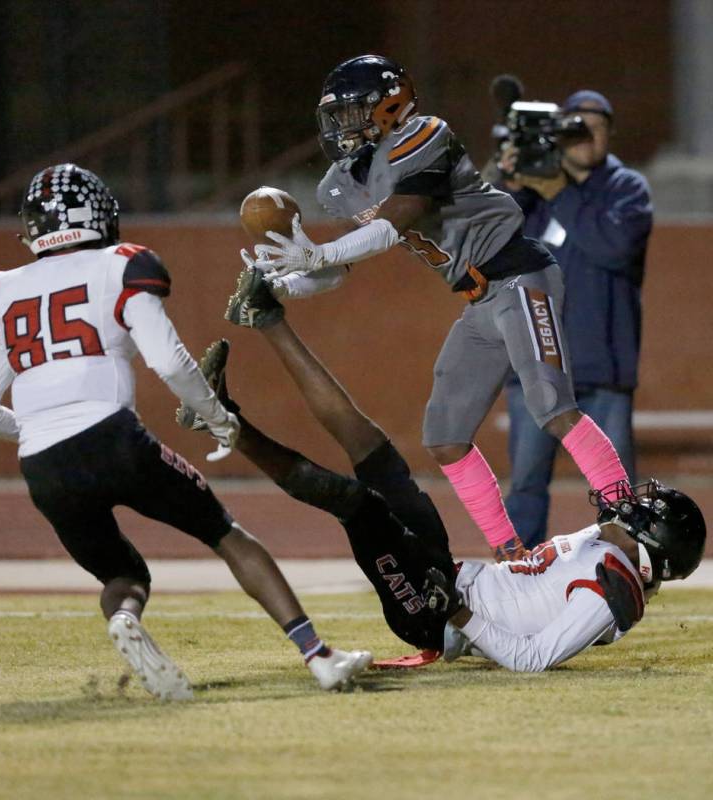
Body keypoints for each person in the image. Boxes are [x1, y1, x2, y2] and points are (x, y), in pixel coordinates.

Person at [0, 163, 372, 699]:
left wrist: (40, 429)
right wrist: (218, 417)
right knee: (226, 534)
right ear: (98, 217)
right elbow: (173, 363)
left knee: (123, 576)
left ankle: (124, 619)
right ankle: (318, 656)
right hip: (111, 437)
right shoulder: (121, 264)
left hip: (42, 464)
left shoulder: (2, 291)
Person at [175, 266, 706, 672]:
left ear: (650, 539)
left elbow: (529, 658)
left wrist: (455, 613)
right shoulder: (612, 550)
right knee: (375, 451)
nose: (623, 500)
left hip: (434, 611)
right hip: (448, 575)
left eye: (638, 507)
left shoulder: (614, 589)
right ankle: (266, 317)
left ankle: (225, 422)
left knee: (359, 505)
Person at [251, 54, 632, 564]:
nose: (342, 126)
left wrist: (319, 252)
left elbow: (394, 222)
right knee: (445, 436)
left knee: (551, 406)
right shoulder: (340, 184)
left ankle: (632, 517)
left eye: (352, 111)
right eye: (336, 115)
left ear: (389, 106)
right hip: (477, 298)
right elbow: (341, 266)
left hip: (518, 273)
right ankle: (510, 552)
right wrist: (287, 285)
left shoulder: (424, 133)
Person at [495, 90, 653, 548]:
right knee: (525, 486)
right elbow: (488, 242)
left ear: (610, 133)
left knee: (617, 493)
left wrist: (559, 192)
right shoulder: (530, 194)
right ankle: (519, 580)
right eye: (575, 126)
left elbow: (614, 247)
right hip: (536, 369)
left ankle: (625, 575)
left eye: (596, 127)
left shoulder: (626, 189)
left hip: (603, 374)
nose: (585, 136)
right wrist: (506, 179)